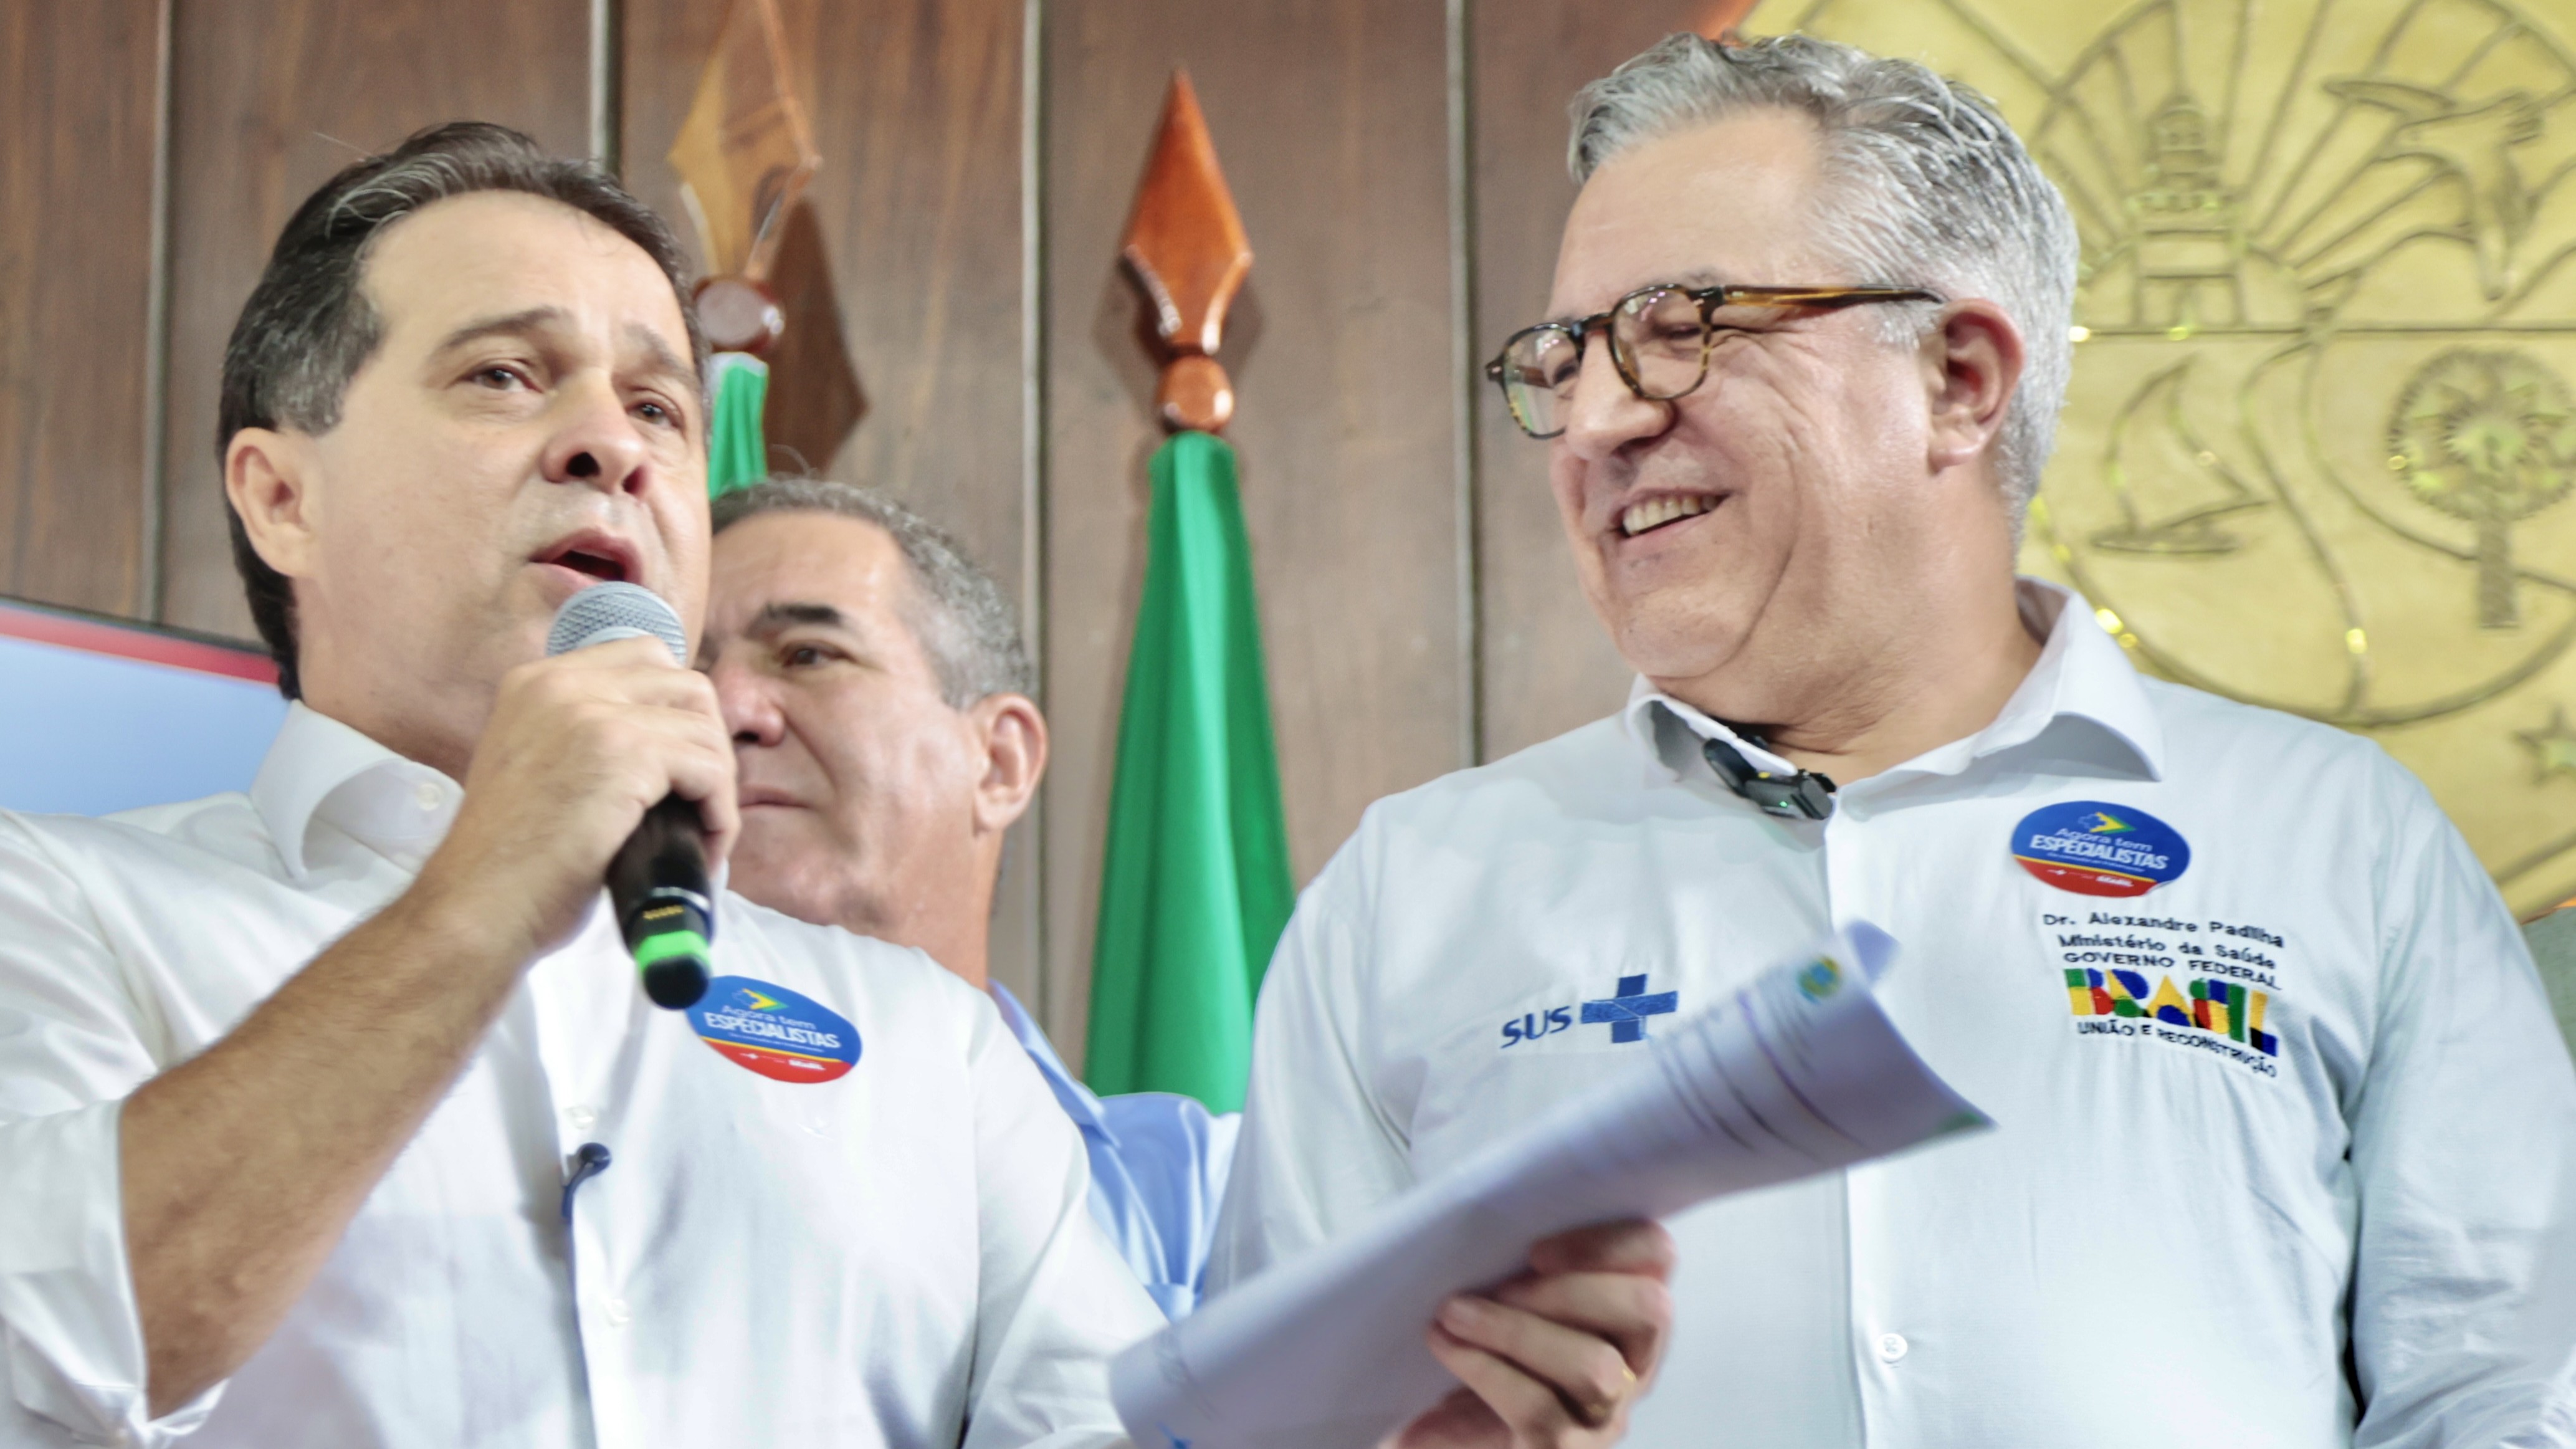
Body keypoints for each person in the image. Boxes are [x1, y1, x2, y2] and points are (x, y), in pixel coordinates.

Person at [0, 123, 1665, 1449]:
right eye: (507, 375)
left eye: (655, 397)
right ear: (277, 495)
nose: (617, 441)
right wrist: (477, 894)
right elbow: (48, 1346)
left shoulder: (928, 1048)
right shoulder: (60, 908)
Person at [1208, 32, 2576, 1448]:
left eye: (1680, 327)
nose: (1598, 422)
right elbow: (1276, 1427)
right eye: (1565, 357)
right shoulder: (1412, 888)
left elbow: (2508, 1398)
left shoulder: (2343, 840)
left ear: (1960, 377)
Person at [699, 477, 1231, 1319]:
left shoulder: (1205, 1195)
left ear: (998, 762)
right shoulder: (569, 1141)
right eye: (688, 673)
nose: (726, 708)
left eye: (806, 653)